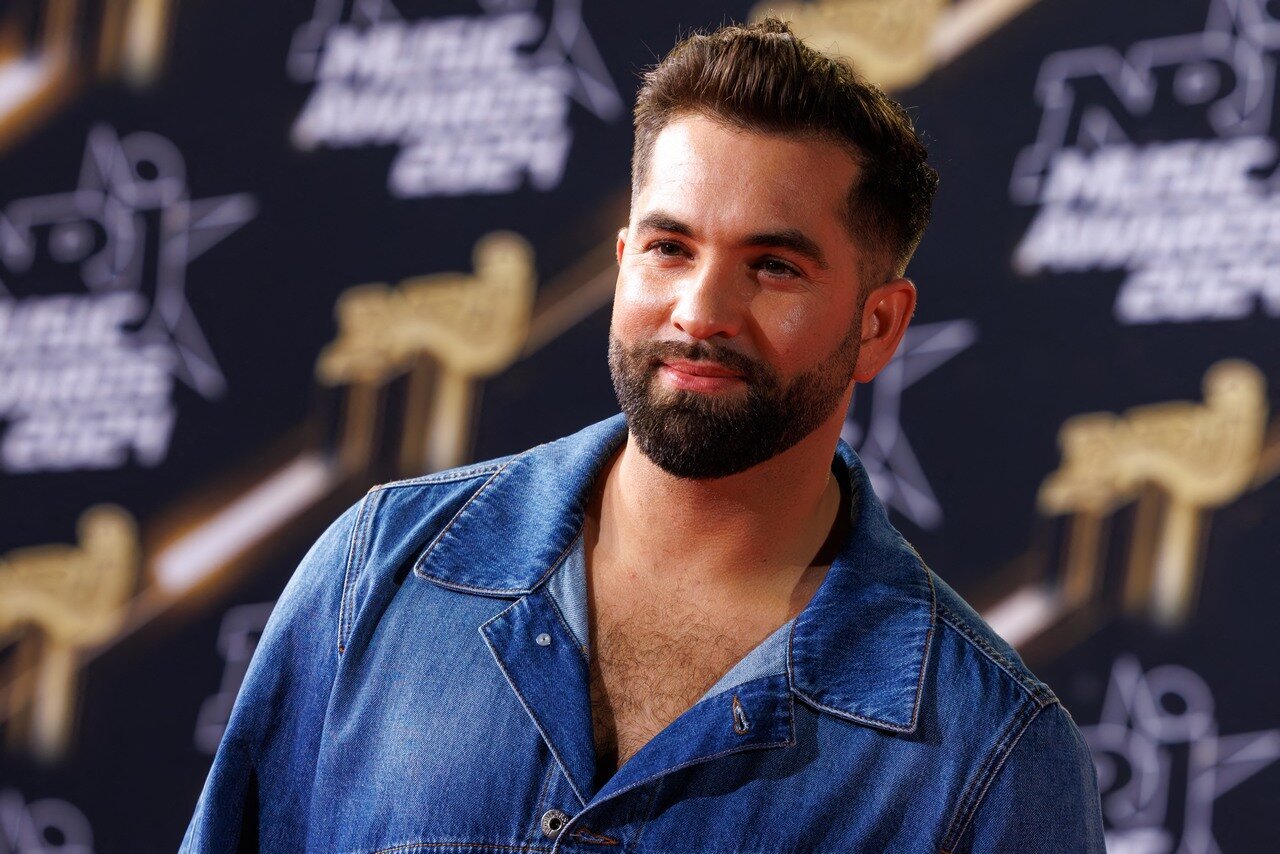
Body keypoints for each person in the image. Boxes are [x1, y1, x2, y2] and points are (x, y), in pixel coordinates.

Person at [182, 19, 1105, 853]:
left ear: (878, 326)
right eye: (671, 249)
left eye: (773, 266)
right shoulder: (378, 573)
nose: (700, 312)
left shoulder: (989, 758)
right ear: (624, 261)